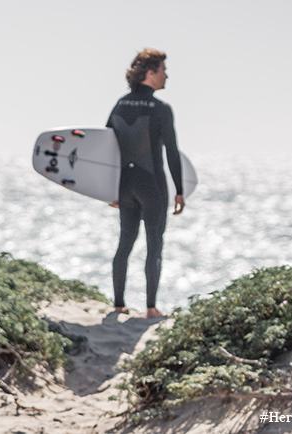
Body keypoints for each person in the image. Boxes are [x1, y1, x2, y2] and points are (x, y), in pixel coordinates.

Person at [106, 48, 185, 318]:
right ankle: (151, 308)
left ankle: (118, 304)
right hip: (151, 185)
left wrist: (109, 188)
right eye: (163, 70)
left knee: (124, 243)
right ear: (150, 73)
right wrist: (180, 190)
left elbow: (106, 148)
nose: (167, 75)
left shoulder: (119, 104)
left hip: (124, 186)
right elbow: (172, 152)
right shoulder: (161, 109)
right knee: (154, 245)